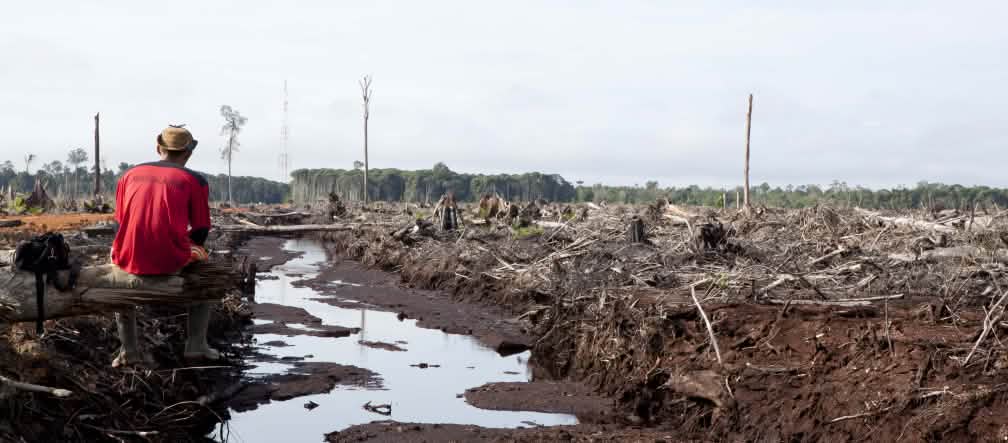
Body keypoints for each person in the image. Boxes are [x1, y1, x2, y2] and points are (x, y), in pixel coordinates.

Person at [110, 125, 216, 367]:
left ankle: (129, 350)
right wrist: (181, 249)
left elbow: (118, 224)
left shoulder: (128, 175)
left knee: (116, 273)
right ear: (188, 153)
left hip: (127, 258)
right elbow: (200, 230)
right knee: (206, 273)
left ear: (159, 148)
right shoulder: (195, 180)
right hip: (170, 261)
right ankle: (196, 345)